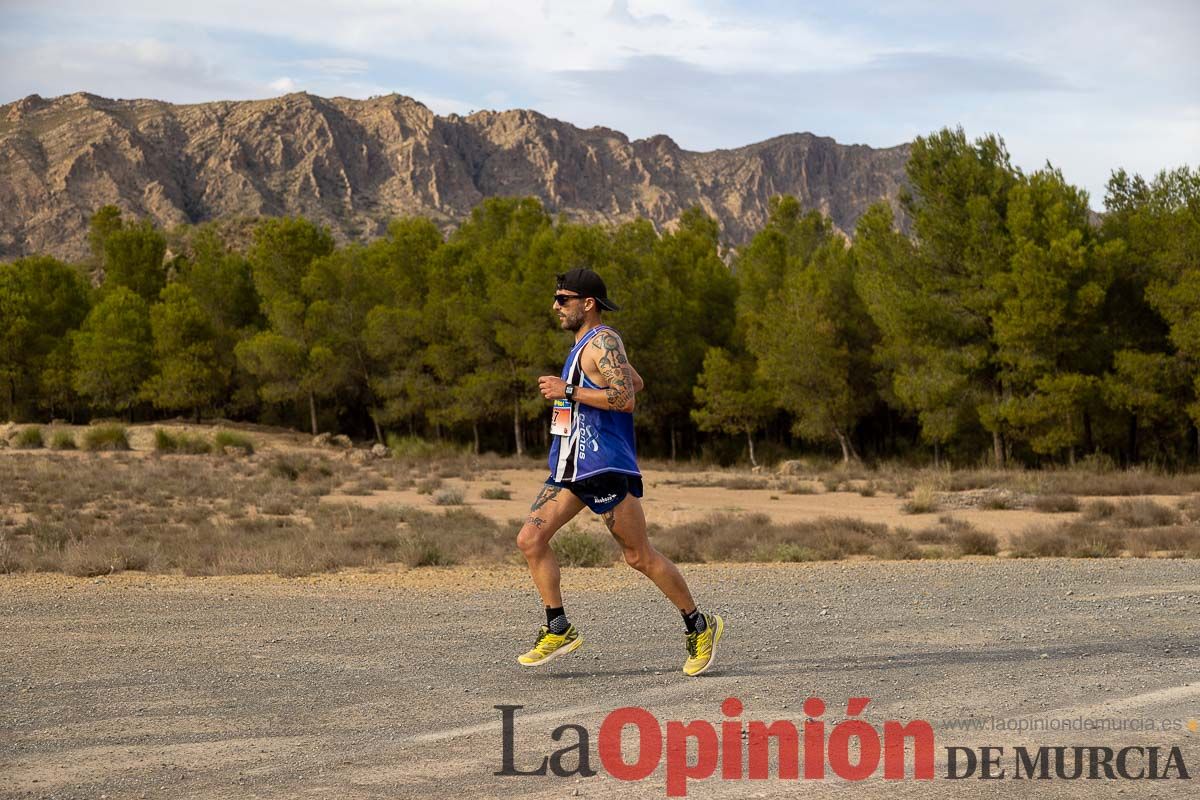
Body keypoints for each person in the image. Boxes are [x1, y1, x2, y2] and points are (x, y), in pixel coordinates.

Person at [515, 267, 724, 676]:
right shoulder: (584, 347)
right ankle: (559, 627)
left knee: (638, 556)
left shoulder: (603, 339)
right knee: (530, 539)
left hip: (604, 466)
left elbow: (626, 398)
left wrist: (568, 391)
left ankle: (700, 625)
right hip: (571, 467)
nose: (555, 306)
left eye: (563, 299)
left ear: (587, 303)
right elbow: (635, 381)